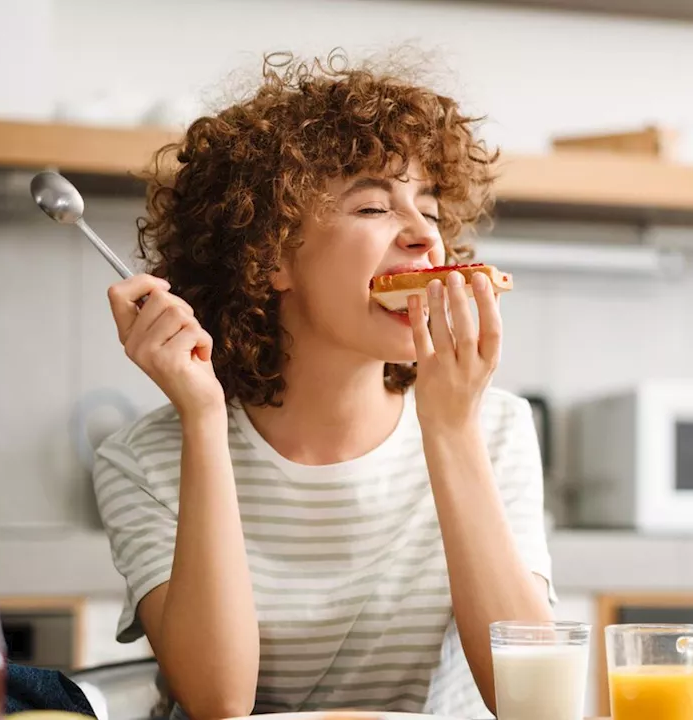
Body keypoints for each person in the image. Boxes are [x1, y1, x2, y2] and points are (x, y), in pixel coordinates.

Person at [92, 50, 555, 720]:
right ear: (270, 255)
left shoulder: (494, 427)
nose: (425, 235)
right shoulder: (147, 459)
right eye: (373, 206)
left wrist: (451, 429)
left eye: (427, 207)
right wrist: (201, 419)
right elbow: (220, 701)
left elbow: (535, 704)